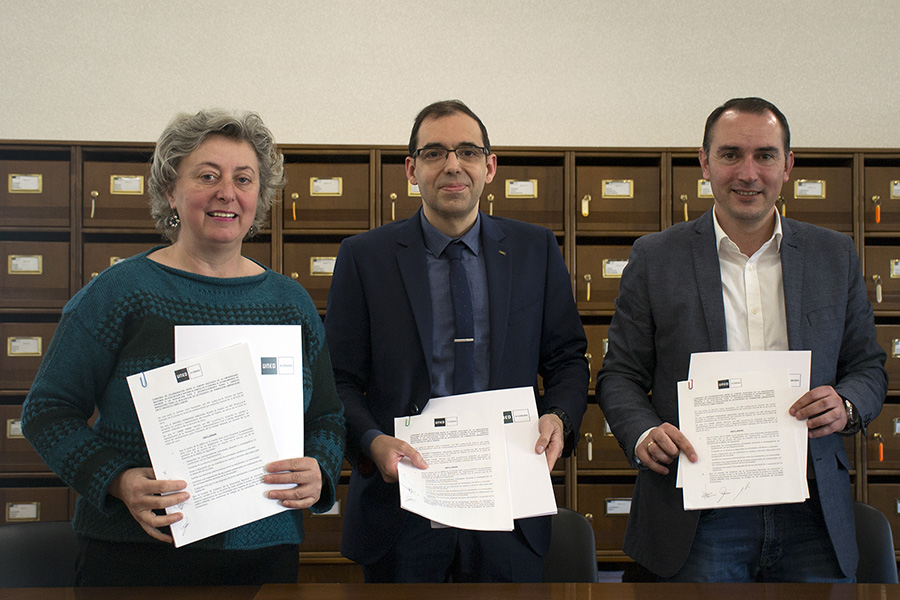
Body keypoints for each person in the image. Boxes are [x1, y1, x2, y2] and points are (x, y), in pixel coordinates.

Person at [21, 109, 345, 586]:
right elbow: (47, 411)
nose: (226, 193)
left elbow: (327, 416)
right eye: (207, 176)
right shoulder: (120, 292)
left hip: (266, 551)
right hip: (136, 553)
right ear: (170, 190)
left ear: (259, 196)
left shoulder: (290, 302)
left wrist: (319, 468)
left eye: (243, 179)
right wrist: (118, 480)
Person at [597, 97, 887, 582]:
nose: (748, 173)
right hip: (697, 509)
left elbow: (868, 366)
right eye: (730, 154)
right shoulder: (655, 257)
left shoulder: (834, 255)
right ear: (705, 163)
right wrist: (644, 432)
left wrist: (847, 404)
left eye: (765, 156)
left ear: (787, 165)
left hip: (810, 508)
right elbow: (620, 375)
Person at [324, 99, 589, 582]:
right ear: (411, 170)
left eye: (468, 152)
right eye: (434, 153)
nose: (452, 165)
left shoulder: (535, 249)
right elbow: (338, 378)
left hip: (508, 505)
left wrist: (560, 417)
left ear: (490, 167)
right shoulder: (365, 257)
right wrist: (371, 441)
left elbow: (568, 358)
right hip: (402, 506)